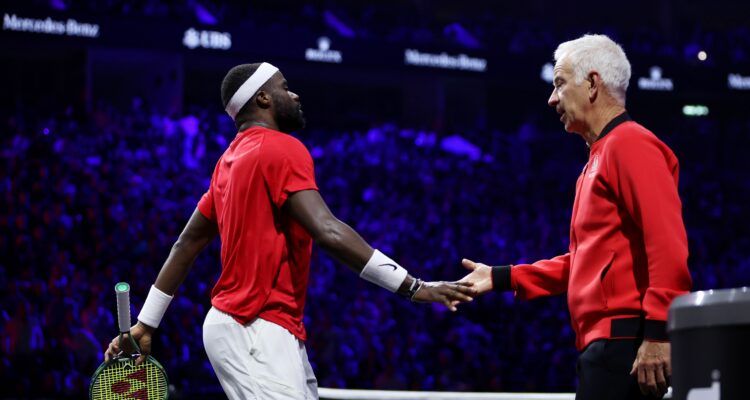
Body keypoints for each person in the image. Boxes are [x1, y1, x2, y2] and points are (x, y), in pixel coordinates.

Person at [104, 62, 476, 399]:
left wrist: (146, 323)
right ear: (263, 97)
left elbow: (187, 242)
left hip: (254, 326)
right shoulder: (282, 148)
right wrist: (414, 287)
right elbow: (327, 230)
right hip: (253, 325)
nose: (294, 93)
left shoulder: (227, 162)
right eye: (285, 86)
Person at [459, 34, 691, 400]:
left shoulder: (630, 144)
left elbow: (667, 242)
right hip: (605, 343)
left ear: (593, 84)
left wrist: (658, 334)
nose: (552, 99)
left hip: (625, 343)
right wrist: (503, 277)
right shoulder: (599, 157)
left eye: (559, 84)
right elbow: (588, 261)